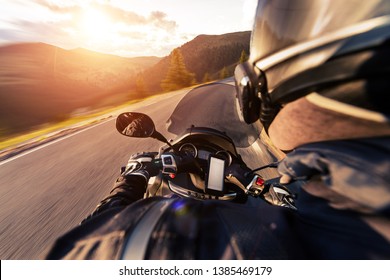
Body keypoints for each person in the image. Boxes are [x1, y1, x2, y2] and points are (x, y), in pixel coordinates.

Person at [46, 0, 390, 259]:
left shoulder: (185, 244)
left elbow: (85, 252)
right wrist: (256, 182)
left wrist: (127, 185)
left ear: (256, 89)